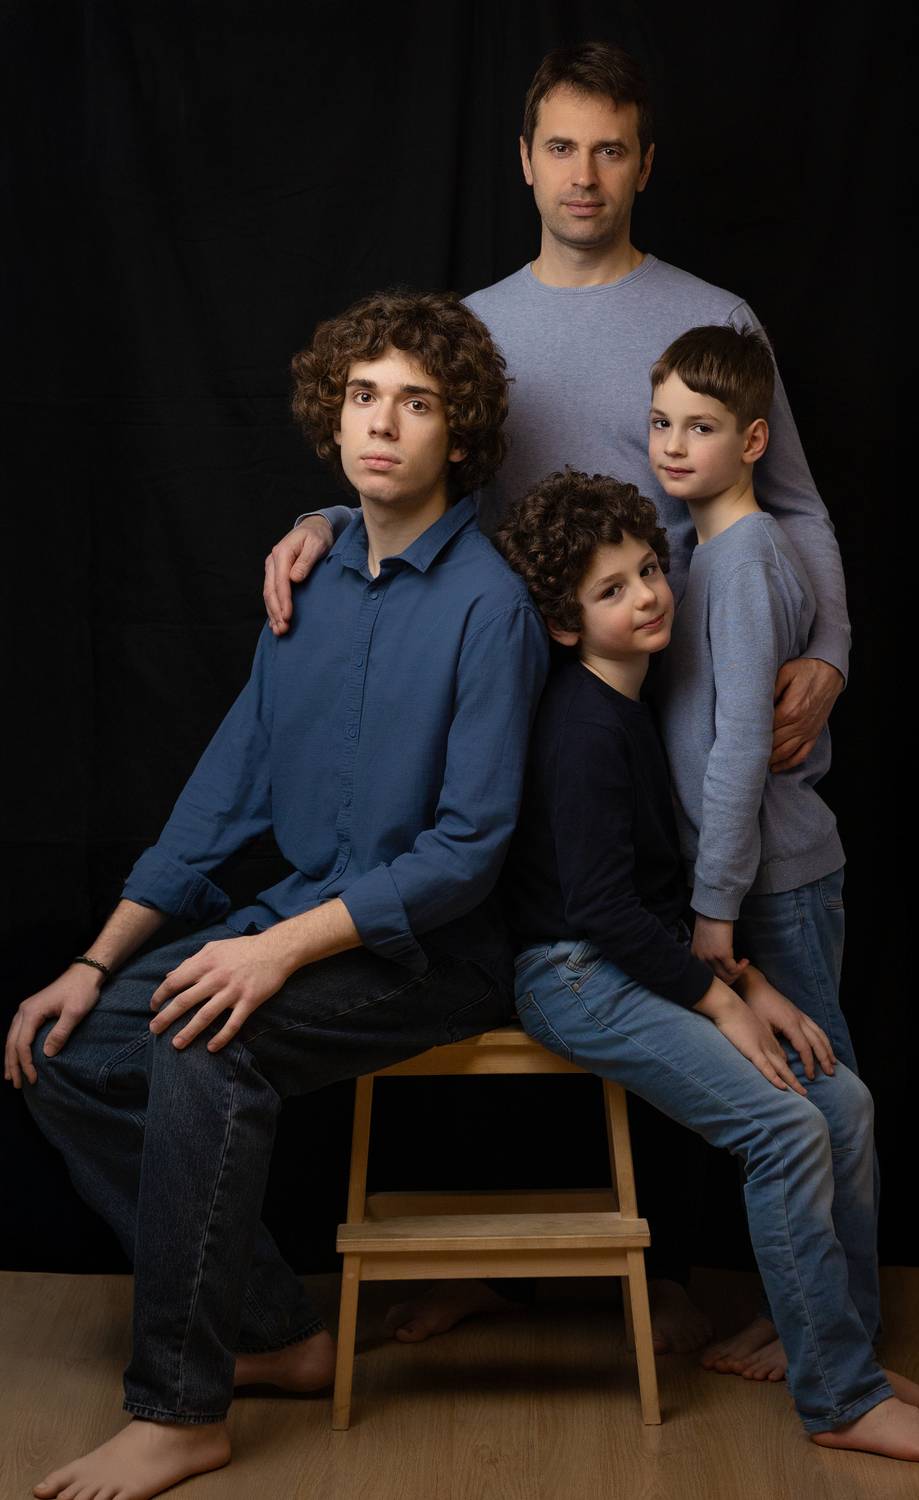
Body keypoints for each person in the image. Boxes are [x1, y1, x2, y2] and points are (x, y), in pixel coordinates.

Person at [257, 41, 850, 1351]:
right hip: (533, 716)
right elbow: (412, 474)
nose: (585, 175)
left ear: (645, 165)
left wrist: (831, 654)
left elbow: (795, 505)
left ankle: (747, 1295)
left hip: (700, 715)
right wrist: (323, 519)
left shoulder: (714, 315)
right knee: (536, 970)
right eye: (562, 148)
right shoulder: (480, 327)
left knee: (719, 988)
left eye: (611, 149)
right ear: (525, 161)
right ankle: (511, 1270)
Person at [4, 290, 549, 1500]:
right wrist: (94, 963)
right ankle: (271, 1334)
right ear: (330, 415)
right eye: (363, 396)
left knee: (208, 1043)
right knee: (65, 1049)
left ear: (459, 434)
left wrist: (279, 951)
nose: (383, 425)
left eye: (417, 403)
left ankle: (180, 1411)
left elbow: (467, 851)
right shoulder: (303, 585)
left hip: (435, 952)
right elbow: (220, 803)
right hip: (299, 917)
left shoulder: (490, 606)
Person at [493, 469, 919, 1464]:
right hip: (573, 974)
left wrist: (750, 981)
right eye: (611, 589)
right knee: (783, 1128)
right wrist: (722, 1004)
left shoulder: (631, 704)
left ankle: (848, 1349)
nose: (647, 595)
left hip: (635, 956)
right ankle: (838, 1398)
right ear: (563, 624)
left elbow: (650, 904)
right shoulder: (581, 729)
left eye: (648, 569)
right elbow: (600, 913)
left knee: (842, 1103)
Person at [649, 324, 860, 1384]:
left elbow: (740, 749)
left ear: (753, 441)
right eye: (660, 423)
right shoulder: (705, 554)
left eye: (701, 427)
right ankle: (809, 1315)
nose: (673, 445)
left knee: (826, 1102)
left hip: (772, 881)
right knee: (806, 1100)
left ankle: (847, 1332)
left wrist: (715, 904)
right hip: (746, 877)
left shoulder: (742, 562)